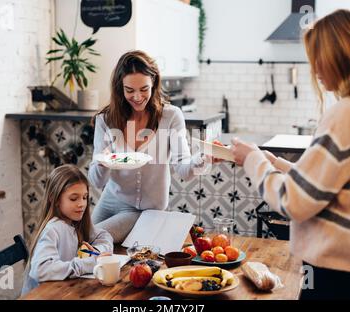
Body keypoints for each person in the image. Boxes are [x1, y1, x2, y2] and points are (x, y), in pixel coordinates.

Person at [231, 9, 350, 300]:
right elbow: (335, 187)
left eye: (318, 57)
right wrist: (279, 165)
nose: (315, 68)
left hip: (332, 275)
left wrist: (253, 159)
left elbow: (295, 202)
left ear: (339, 56)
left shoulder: (347, 114)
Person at [88, 50, 213, 243]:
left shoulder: (171, 116)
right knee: (75, 242)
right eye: (129, 90)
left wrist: (204, 158)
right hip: (110, 202)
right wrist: (103, 163)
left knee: (92, 240)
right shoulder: (106, 119)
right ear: (119, 87)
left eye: (144, 89)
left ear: (154, 82)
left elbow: (184, 169)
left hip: (149, 211)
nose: (137, 97)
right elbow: (96, 181)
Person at [21, 164, 113, 295]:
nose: (81, 204)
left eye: (85, 197)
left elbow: (104, 236)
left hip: (63, 292)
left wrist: (97, 252)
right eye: (74, 198)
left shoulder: (76, 222)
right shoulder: (53, 229)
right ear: (55, 199)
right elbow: (40, 270)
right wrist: (89, 263)